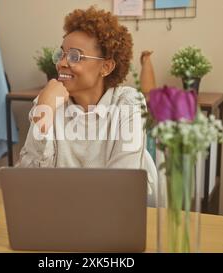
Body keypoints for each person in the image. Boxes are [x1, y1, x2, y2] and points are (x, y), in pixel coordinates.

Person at [15, 6, 155, 202]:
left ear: (106, 67)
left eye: (74, 56)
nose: (62, 63)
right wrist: (43, 112)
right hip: (58, 217)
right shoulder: (48, 102)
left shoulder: (128, 104)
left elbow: (122, 188)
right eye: (62, 54)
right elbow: (27, 184)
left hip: (110, 219)